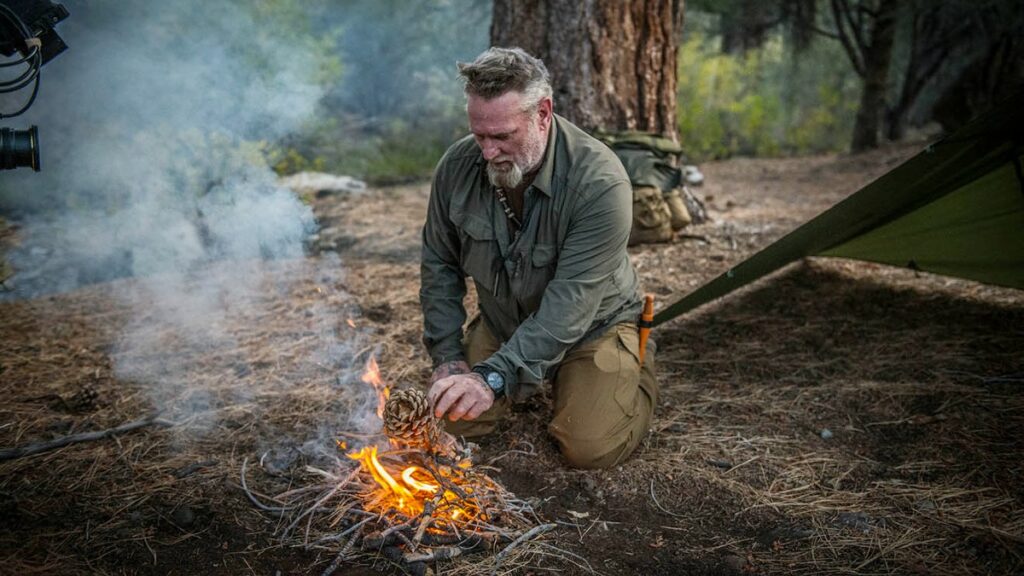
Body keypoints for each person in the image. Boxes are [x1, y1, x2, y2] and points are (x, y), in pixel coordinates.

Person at [420, 47, 658, 469]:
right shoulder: (457, 167)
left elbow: (571, 307)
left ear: (543, 114)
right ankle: (530, 373)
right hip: (506, 322)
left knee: (590, 447)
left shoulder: (600, 183)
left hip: (593, 325)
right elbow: (439, 263)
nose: (488, 152)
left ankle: (632, 368)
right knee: (451, 423)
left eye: (503, 136)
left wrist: (492, 377)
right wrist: (448, 356)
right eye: (480, 135)